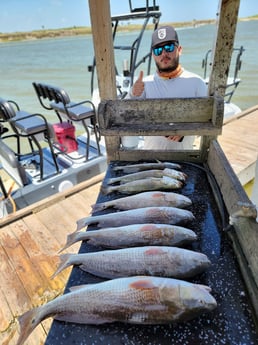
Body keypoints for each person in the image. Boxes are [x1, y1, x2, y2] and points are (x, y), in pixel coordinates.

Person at [129, 25, 208, 150]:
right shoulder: (145, 84)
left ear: (179, 49)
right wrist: (133, 93)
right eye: (158, 50)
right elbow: (130, 117)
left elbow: (206, 120)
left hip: (184, 160)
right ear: (153, 55)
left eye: (169, 47)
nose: (164, 53)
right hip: (150, 159)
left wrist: (186, 129)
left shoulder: (197, 82)